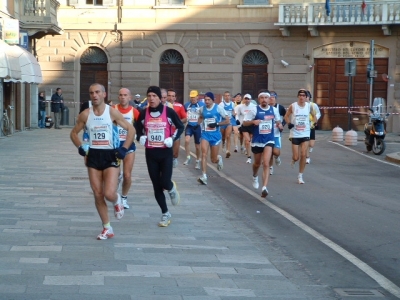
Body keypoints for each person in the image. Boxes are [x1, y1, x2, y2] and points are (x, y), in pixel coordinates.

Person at [70, 83, 135, 240]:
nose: (94, 95)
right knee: (97, 194)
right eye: (92, 92)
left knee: (108, 193)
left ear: (104, 94)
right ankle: (107, 227)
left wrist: (124, 148)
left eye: (98, 92)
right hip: (93, 157)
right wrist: (80, 146)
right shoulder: (85, 114)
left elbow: (131, 130)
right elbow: (73, 133)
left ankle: (117, 199)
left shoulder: (112, 112)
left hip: (110, 156)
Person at [135, 86, 184, 227]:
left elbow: (180, 127)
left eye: (154, 96)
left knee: (164, 182)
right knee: (156, 186)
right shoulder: (143, 113)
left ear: (159, 98)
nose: (151, 99)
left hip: (165, 153)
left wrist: (172, 139)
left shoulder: (168, 112)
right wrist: (140, 137)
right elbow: (137, 128)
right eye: (149, 96)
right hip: (151, 154)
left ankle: (171, 187)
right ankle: (165, 213)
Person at [243, 92, 283, 197]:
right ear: (259, 99)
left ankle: (264, 187)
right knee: (257, 163)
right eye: (262, 98)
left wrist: (279, 125)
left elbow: (278, 120)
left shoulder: (274, 110)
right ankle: (255, 176)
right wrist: (253, 122)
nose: (264, 100)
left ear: (269, 99)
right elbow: (244, 122)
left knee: (266, 163)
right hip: (257, 140)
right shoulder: (254, 110)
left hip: (269, 139)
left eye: (266, 98)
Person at [113, 88, 140, 209]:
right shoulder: (112, 109)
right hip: (115, 146)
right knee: (115, 174)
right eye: (120, 95)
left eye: (125, 95)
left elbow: (140, 125)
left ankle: (124, 198)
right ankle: (114, 192)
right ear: (118, 97)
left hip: (129, 145)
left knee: (127, 175)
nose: (123, 97)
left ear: (130, 97)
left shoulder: (134, 111)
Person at [284, 88, 317, 184]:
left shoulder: (309, 106)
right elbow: (286, 116)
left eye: (304, 96)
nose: (302, 97)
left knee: (303, 154)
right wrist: (289, 123)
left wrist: (313, 124)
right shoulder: (293, 106)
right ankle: (293, 160)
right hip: (295, 133)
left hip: (305, 132)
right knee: (296, 157)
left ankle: (300, 175)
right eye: (300, 95)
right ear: (298, 96)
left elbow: (314, 116)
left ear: (306, 97)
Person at [197, 92, 230, 185]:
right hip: (205, 134)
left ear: (213, 100)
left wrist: (217, 124)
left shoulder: (219, 108)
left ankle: (218, 159)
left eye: (208, 100)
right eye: (205, 100)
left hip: (215, 135)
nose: (207, 102)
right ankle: (204, 176)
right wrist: (197, 124)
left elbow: (227, 120)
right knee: (204, 154)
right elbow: (200, 116)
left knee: (213, 160)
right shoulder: (202, 109)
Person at [183, 90, 205, 169]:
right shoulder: (186, 105)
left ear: (197, 96)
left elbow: (204, 115)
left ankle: (197, 161)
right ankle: (188, 157)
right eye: (191, 97)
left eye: (194, 97)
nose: (193, 99)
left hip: (198, 127)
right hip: (189, 126)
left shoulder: (202, 105)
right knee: (187, 140)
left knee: (197, 146)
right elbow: (183, 114)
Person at [167, 89, 187, 168]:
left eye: (173, 96)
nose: (170, 98)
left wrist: (177, 123)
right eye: (169, 95)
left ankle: (174, 159)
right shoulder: (162, 106)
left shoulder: (179, 106)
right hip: (165, 132)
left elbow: (185, 119)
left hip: (176, 132)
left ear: (175, 98)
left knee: (175, 153)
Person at [268, 91, 286, 175]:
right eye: (270, 97)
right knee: (269, 152)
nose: (271, 99)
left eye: (273, 97)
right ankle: (270, 167)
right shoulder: (265, 108)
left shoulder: (280, 108)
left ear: (275, 99)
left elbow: (286, 116)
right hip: (267, 134)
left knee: (275, 152)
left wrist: (282, 124)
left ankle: (277, 157)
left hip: (276, 133)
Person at [235, 94, 256, 163]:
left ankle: (248, 150)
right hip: (243, 124)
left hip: (252, 125)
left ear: (251, 100)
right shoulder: (240, 106)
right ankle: (249, 157)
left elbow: (257, 114)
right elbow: (236, 114)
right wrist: (237, 120)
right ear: (243, 99)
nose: (247, 100)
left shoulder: (254, 106)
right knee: (247, 140)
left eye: (248, 99)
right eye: (245, 99)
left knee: (250, 140)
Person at [219, 91, 236, 158]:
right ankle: (223, 142)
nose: (227, 97)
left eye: (228, 95)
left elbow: (233, 111)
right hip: (223, 121)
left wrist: (234, 114)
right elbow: (219, 112)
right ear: (224, 96)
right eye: (226, 95)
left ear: (230, 96)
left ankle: (228, 151)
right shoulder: (221, 104)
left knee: (228, 136)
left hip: (229, 122)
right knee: (223, 136)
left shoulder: (232, 104)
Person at [305, 90, 321, 164]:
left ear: (309, 97)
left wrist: (315, 120)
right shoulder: (300, 105)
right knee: (306, 143)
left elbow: (318, 113)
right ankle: (307, 157)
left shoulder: (313, 105)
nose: (305, 98)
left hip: (311, 125)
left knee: (311, 144)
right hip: (304, 127)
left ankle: (310, 148)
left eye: (307, 96)